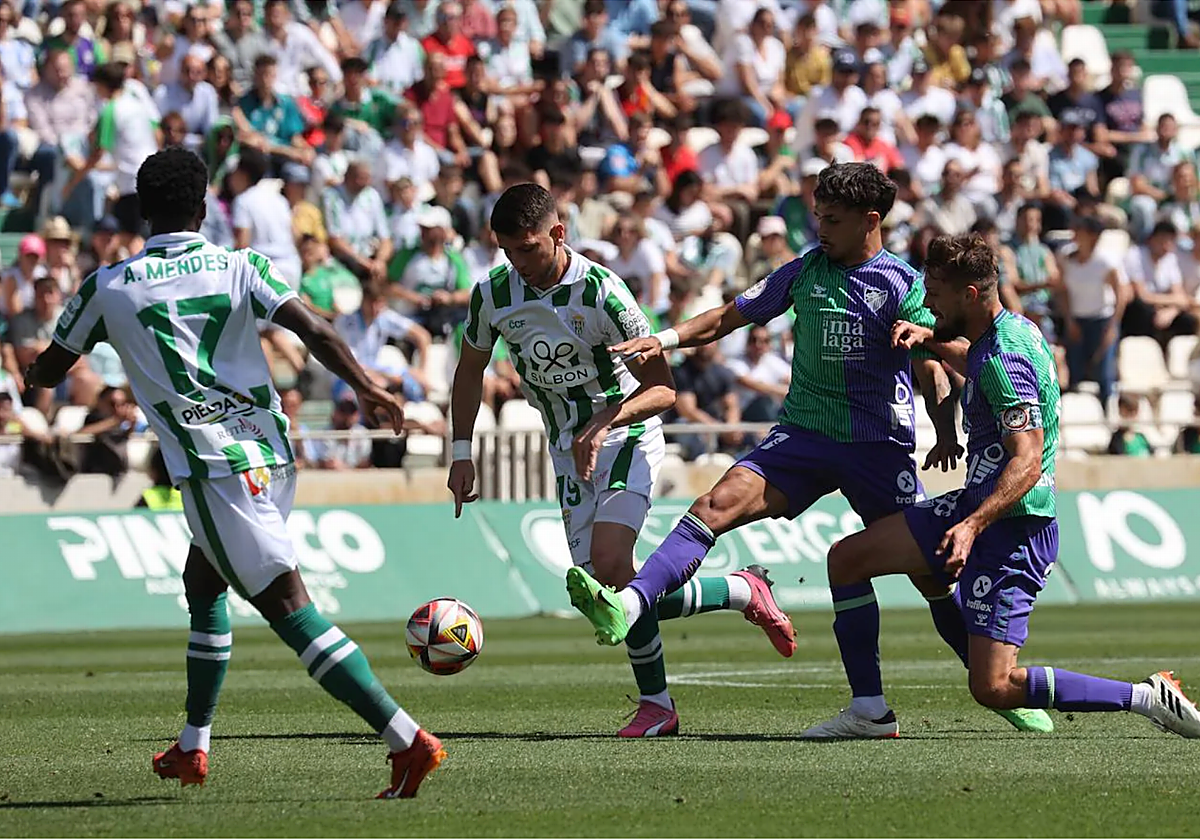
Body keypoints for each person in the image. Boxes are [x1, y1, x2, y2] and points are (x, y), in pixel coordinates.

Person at [573, 162, 1052, 737]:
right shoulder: (805, 270)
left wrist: (943, 424)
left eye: (832, 219)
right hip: (801, 436)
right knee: (714, 506)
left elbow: (940, 355)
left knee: (931, 580)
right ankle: (630, 606)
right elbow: (731, 315)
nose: (818, 227)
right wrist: (666, 337)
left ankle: (998, 690)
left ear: (870, 221)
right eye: (817, 215)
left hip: (878, 449)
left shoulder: (903, 284)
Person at [24, 147, 444, 798]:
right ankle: (193, 746)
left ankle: (405, 740)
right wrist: (368, 387)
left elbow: (51, 368)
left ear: (142, 210)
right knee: (203, 582)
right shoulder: (240, 265)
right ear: (203, 208)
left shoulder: (107, 287)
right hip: (272, 454)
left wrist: (38, 371)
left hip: (213, 467)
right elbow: (315, 329)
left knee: (287, 607)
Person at [447, 182, 794, 738]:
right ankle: (738, 590)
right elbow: (470, 370)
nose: (519, 263)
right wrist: (461, 451)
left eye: (529, 249)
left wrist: (605, 423)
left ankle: (657, 706)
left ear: (559, 234)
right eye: (508, 251)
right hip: (566, 447)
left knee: (610, 566)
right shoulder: (492, 293)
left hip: (624, 433)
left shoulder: (603, 293)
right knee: (607, 592)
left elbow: (663, 389)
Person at [842, 233, 1200, 738]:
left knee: (993, 686)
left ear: (969, 295)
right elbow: (979, 366)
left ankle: (1145, 696)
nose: (926, 302)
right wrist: (932, 341)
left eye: (936, 293)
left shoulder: (1009, 355)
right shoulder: (1007, 334)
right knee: (848, 559)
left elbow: (1028, 462)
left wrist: (971, 525)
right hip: (977, 505)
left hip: (1013, 527)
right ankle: (868, 712)